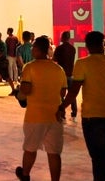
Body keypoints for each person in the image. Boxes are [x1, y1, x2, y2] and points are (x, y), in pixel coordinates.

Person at [59, 31, 105, 181]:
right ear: (103, 44)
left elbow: (74, 91)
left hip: (92, 116)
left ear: (87, 46)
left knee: (97, 155)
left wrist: (61, 107)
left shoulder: (82, 63)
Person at [15, 36, 68, 181]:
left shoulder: (30, 67)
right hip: (55, 116)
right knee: (54, 153)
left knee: (30, 149)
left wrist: (18, 92)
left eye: (33, 47)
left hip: (35, 115)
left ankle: (25, 175)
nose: (32, 49)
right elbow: (63, 92)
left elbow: (26, 89)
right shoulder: (58, 69)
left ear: (38, 49)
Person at [52, 31, 77, 122]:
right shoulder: (73, 49)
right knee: (72, 95)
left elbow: (54, 59)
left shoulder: (59, 48)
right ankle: (74, 114)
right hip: (70, 74)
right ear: (69, 38)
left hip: (61, 75)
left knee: (61, 95)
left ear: (62, 37)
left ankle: (63, 115)